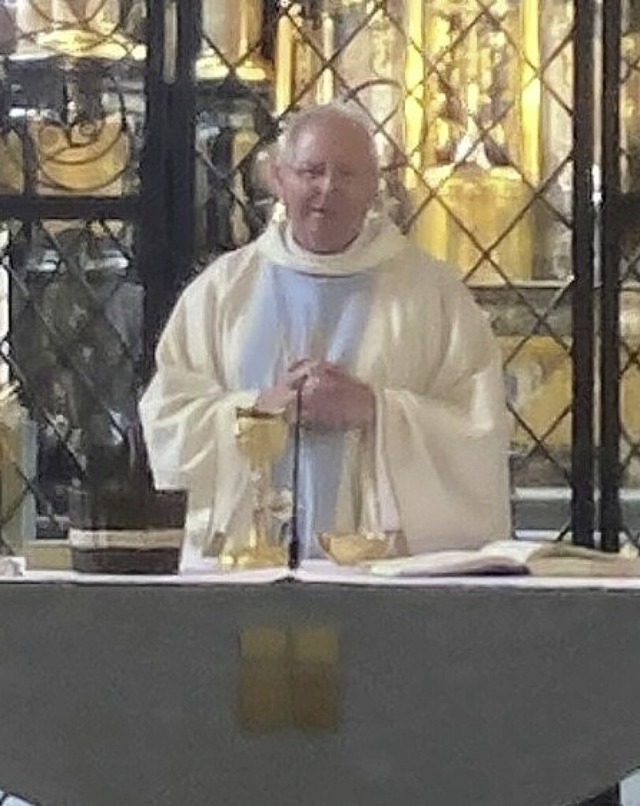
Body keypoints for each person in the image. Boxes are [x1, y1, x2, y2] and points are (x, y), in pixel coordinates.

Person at [139, 102, 511, 569]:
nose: (328, 189)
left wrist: (375, 410)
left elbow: (478, 432)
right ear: (278, 178)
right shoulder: (222, 292)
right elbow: (168, 420)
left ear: (375, 186)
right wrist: (258, 412)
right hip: (244, 576)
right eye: (311, 171)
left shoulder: (433, 296)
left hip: (384, 583)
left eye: (348, 174)